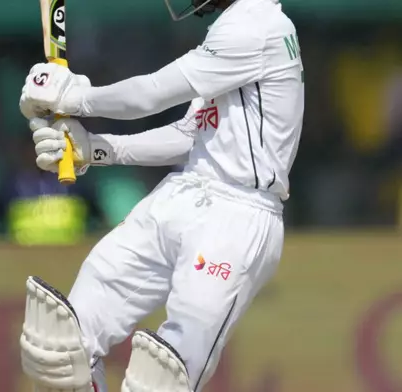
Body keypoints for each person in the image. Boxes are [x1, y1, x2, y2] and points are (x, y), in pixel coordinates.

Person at [18, 0, 304, 391]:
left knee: (160, 381)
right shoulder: (236, 29)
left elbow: (150, 95)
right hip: (183, 194)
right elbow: (191, 135)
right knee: (58, 350)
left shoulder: (255, 27)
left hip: (235, 218)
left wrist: (73, 96)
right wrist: (97, 149)